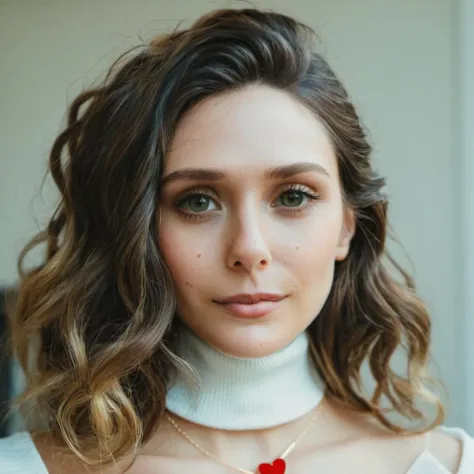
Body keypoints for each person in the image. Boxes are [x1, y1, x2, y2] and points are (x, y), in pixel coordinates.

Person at [0, 7, 473, 474]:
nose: (249, 249)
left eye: (293, 196)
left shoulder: (449, 465)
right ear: (138, 229)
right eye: (198, 202)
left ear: (347, 225)